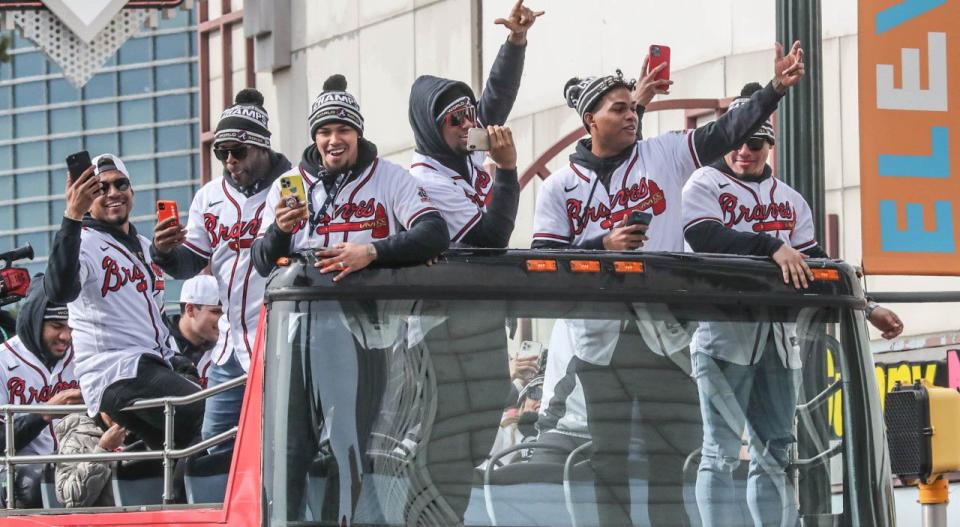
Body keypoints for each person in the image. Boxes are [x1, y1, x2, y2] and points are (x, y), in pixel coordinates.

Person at [531, 42, 807, 527]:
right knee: (610, 463)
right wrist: (602, 246)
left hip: (669, 335)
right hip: (600, 342)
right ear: (590, 121)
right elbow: (541, 262)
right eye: (618, 109)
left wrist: (775, 90)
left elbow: (727, 130)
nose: (631, 115)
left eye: (632, 107)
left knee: (675, 460)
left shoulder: (663, 153)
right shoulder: (560, 186)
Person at [681, 83, 904, 527]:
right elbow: (703, 236)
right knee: (720, 450)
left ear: (770, 146)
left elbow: (819, 263)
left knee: (777, 450)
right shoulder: (703, 181)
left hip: (779, 341)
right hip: (724, 336)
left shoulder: (790, 198)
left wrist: (867, 306)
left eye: (757, 143)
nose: (746, 151)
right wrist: (771, 246)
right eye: (740, 142)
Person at [251, 75, 448, 524]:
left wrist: (372, 252)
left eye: (343, 129)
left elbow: (434, 233)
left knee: (349, 447)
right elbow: (263, 262)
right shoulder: (289, 183)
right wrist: (281, 229)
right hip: (301, 336)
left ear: (358, 132)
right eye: (324, 131)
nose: (333, 139)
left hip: (367, 335)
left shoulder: (391, 178)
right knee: (288, 448)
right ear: (314, 137)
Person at [151, 88, 292, 454]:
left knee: (278, 446)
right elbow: (190, 262)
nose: (229, 160)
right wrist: (164, 252)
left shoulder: (293, 186)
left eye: (238, 151)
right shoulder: (210, 195)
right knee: (213, 448)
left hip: (278, 340)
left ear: (261, 147)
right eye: (221, 152)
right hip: (229, 346)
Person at [43, 153, 203, 451]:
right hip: (115, 372)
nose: (113, 193)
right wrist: (72, 214)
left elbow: (157, 315)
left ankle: (184, 497)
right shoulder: (84, 240)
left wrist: (177, 359)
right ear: (87, 196)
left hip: (149, 365)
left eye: (121, 184)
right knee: (198, 409)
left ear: (132, 191)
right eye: (101, 188)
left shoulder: (144, 245)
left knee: (191, 445)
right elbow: (59, 290)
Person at [408, 0, 543, 247]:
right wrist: (506, 168)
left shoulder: (461, 144)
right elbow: (491, 241)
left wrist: (517, 39)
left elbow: (497, 96)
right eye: (455, 118)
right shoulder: (426, 181)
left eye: (469, 112)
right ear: (432, 129)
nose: (468, 124)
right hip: (451, 282)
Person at [0, 278, 81, 508]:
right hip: (16, 472)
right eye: (57, 326)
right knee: (35, 481)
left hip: (79, 463)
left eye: (70, 327)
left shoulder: (82, 355)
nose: (66, 336)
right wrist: (44, 413)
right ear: (35, 321)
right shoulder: (3, 360)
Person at [54, 412, 126, 508]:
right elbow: (71, 498)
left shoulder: (144, 430)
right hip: (106, 519)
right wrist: (102, 450)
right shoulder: (77, 438)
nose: (119, 412)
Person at [166, 275, 222, 388]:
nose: (224, 319)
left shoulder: (230, 344)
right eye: (216, 312)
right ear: (190, 310)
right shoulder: (158, 342)